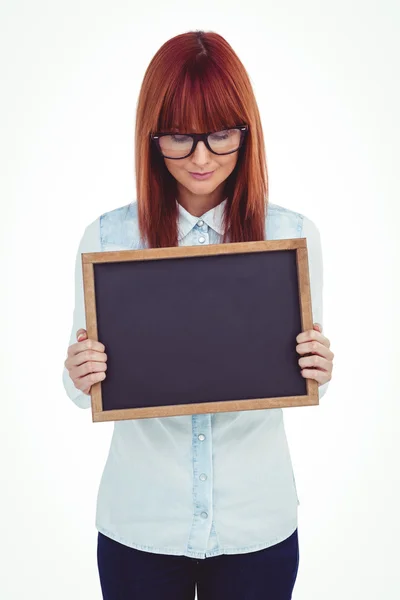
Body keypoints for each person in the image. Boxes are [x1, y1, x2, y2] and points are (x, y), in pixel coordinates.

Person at [63, 30, 334, 600]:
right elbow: (77, 385)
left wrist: (317, 366)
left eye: (219, 134)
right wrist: (78, 371)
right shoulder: (110, 238)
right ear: (151, 136)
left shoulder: (290, 236)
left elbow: (302, 379)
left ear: (246, 131)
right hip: (141, 525)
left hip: (256, 525)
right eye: (180, 138)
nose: (202, 157)